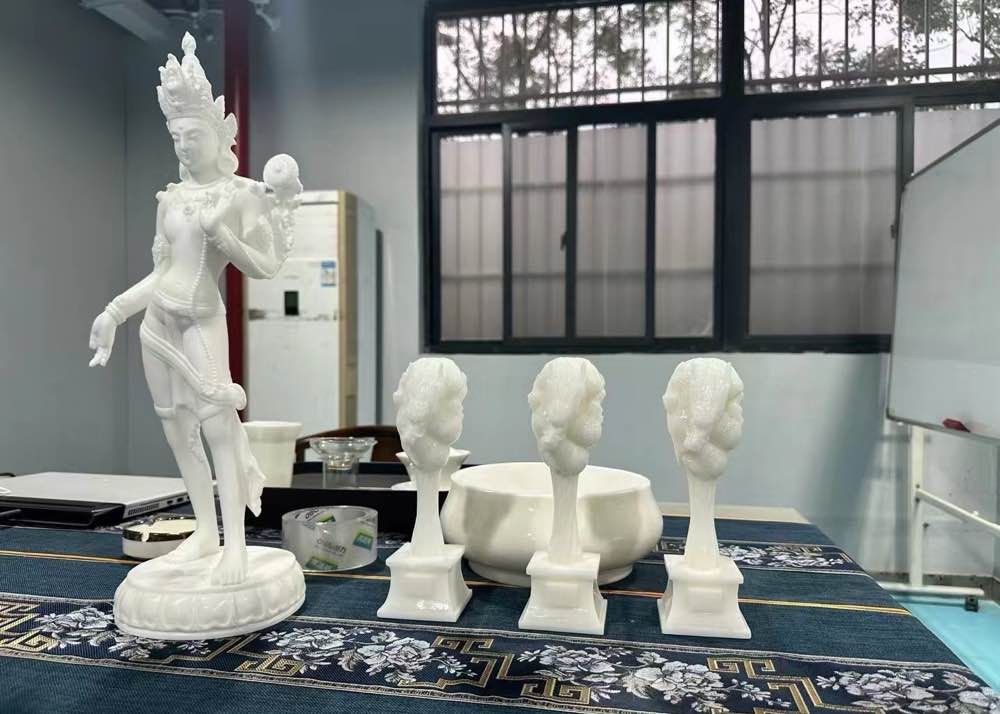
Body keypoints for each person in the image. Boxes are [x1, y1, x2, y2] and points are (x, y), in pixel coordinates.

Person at [88, 33, 298, 585]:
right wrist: (114, 313)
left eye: (194, 134)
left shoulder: (242, 194)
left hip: (202, 322)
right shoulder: (171, 199)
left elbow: (265, 266)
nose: (183, 145)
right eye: (176, 135)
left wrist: (222, 233)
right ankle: (206, 532)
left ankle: (237, 546)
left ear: (219, 133)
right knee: (178, 432)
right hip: (156, 326)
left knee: (219, 429)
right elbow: (161, 274)